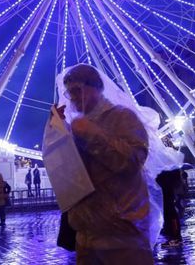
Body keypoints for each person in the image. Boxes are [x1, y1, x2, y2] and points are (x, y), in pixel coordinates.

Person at [59, 64, 154, 264]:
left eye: (77, 90)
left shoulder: (123, 117)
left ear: (95, 87)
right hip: (86, 234)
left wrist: (92, 134)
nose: (74, 98)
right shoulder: (77, 126)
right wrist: (58, 136)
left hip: (122, 233)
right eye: (70, 93)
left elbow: (133, 161)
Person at [155, 169, 183, 244]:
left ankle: (174, 236)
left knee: (170, 215)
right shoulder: (171, 170)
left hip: (166, 196)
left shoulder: (165, 173)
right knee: (170, 215)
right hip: (168, 196)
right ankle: (173, 235)